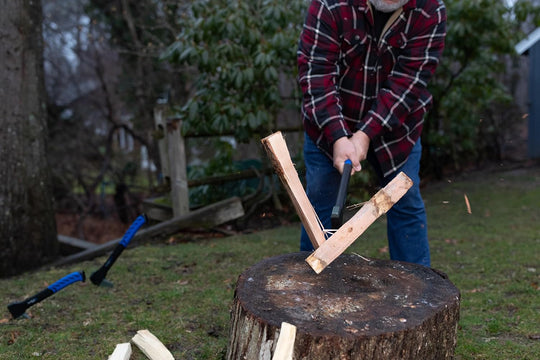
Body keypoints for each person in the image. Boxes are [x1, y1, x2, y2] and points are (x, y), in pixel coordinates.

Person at [297, 0, 447, 267]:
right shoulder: (330, 5)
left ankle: (418, 293)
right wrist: (338, 136)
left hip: (398, 127)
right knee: (319, 202)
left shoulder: (430, 10)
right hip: (328, 122)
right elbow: (316, 75)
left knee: (405, 199)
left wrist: (364, 134)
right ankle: (310, 288)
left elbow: (408, 82)